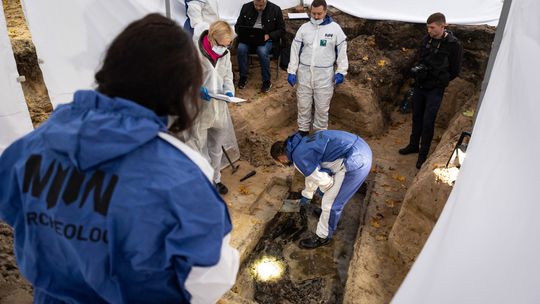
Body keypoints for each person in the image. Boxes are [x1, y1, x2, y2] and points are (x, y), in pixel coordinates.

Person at [0, 14, 239, 303]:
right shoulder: (181, 173)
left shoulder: (30, 147)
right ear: (179, 88)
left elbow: (14, 210)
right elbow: (209, 278)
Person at [271, 130, 372, 249]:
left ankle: (323, 237)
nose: (282, 164)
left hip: (355, 162)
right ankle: (328, 217)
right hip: (360, 147)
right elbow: (311, 172)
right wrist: (307, 195)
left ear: (281, 158)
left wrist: (323, 190)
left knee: (330, 203)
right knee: (329, 195)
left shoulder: (297, 157)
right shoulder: (299, 144)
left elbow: (325, 182)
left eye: (280, 162)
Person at [399, 12, 463, 169]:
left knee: (428, 122)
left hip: (435, 89)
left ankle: (423, 154)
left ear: (443, 26)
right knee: (416, 117)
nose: (429, 31)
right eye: (428, 28)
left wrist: (441, 81)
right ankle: (413, 145)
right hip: (420, 85)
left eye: (432, 28)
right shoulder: (426, 39)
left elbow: (455, 70)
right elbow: (420, 58)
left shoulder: (453, 45)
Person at [184, 20, 236, 195]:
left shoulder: (225, 53)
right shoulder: (194, 53)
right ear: (212, 39)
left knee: (216, 147)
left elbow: (228, 75)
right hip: (199, 107)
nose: (224, 49)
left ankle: (216, 179)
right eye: (222, 45)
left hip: (219, 105)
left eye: (227, 45)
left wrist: (229, 91)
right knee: (198, 146)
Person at [287, 0, 348, 137]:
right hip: (305, 75)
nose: (316, 16)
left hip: (324, 77)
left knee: (322, 108)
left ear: (325, 11)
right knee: (303, 106)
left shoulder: (335, 30)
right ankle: (303, 132)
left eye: (319, 14)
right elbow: (295, 50)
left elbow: (342, 52)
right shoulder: (304, 28)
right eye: (313, 13)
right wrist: (292, 71)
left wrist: (341, 72)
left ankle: (320, 135)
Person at [235, 0, 285, 93]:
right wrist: (244, 33)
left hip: (267, 39)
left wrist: (269, 35)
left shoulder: (275, 9)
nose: (258, 8)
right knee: (241, 48)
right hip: (249, 39)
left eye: (261, 5)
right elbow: (237, 26)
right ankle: (243, 77)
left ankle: (266, 81)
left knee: (262, 51)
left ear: (266, 1)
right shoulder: (246, 7)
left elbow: (282, 30)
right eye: (256, 5)